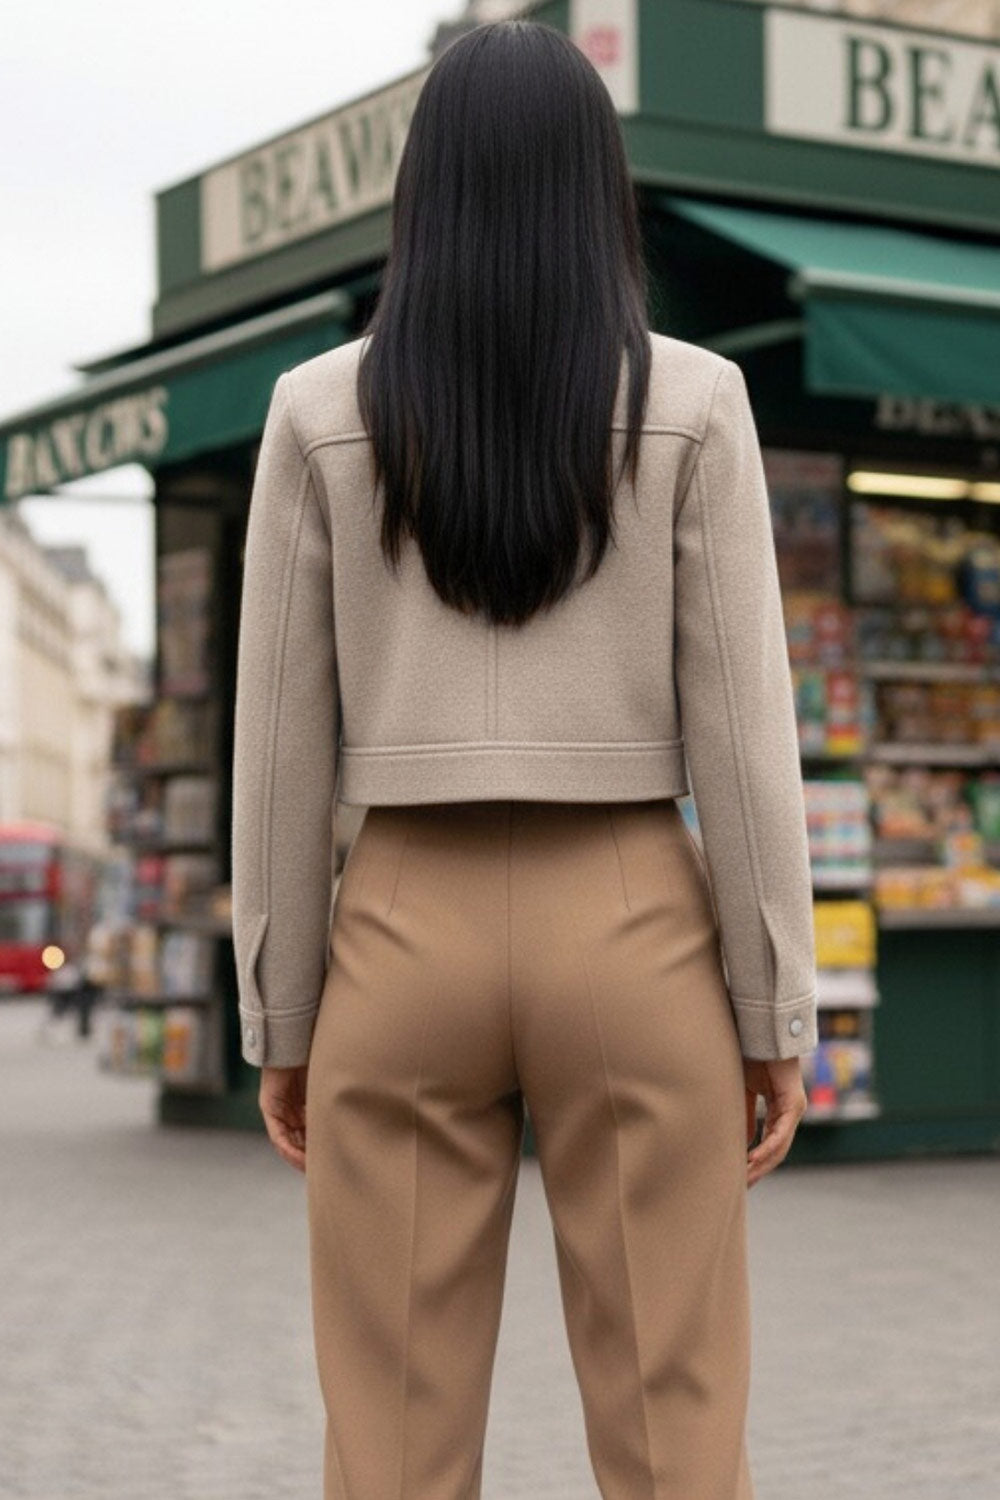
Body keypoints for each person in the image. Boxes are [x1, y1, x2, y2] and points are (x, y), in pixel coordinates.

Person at [231, 18, 817, 1500]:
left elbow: (283, 750)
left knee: (394, 1432)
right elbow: (745, 738)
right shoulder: (696, 403)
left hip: (400, 922)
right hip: (632, 917)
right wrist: (773, 1006)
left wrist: (283, 1009)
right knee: (676, 1417)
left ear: (419, 194)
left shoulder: (316, 412)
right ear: (595, 188)